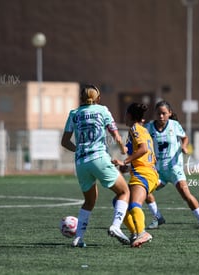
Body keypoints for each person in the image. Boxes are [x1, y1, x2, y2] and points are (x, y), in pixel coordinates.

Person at [61, 84, 131, 247]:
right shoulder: (103, 110)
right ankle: (116, 226)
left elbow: (64, 142)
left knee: (89, 201)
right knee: (123, 191)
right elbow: (115, 135)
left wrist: (78, 149)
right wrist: (123, 148)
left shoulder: (74, 114)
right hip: (99, 158)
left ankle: (78, 238)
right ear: (98, 98)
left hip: (81, 163)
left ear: (80, 99)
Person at [144, 101, 199, 230]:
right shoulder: (149, 127)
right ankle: (158, 217)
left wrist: (184, 146)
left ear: (169, 113)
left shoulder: (174, 125)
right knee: (144, 190)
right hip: (158, 170)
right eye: (158, 114)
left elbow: (185, 138)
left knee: (185, 193)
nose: (161, 116)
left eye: (164, 113)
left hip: (174, 168)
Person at [112, 103, 159, 247]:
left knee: (133, 204)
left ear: (130, 116)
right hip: (145, 172)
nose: (124, 116)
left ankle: (142, 233)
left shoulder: (134, 129)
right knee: (118, 202)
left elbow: (144, 149)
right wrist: (123, 160)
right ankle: (135, 233)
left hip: (144, 173)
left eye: (126, 114)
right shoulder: (141, 130)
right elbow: (135, 152)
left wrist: (124, 161)